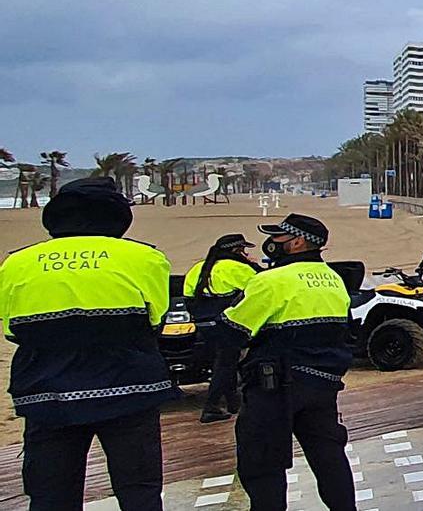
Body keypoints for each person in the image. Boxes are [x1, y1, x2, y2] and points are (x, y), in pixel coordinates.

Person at [0, 177, 177, 511]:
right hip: (130, 389)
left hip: (46, 393)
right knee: (139, 491)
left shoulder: (16, 262)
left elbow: (12, 329)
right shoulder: (145, 258)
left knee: (51, 494)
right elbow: (156, 320)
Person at [222, 214, 355, 511]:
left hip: (275, 387)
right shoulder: (334, 279)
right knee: (328, 456)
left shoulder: (270, 280)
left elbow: (232, 331)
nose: (273, 244)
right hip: (323, 385)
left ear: (297, 242)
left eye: (279, 238)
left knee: (261, 462)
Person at [183, 234, 261, 423]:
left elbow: (187, 295)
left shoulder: (199, 268)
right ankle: (211, 406)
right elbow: (262, 286)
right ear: (236, 251)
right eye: (244, 250)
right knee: (226, 363)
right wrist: (254, 265)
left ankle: (234, 402)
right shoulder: (239, 268)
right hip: (227, 323)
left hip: (203, 323)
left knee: (225, 361)